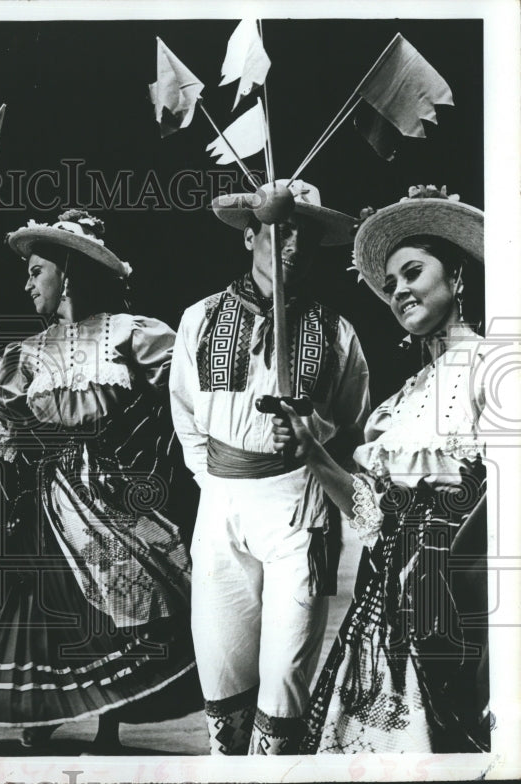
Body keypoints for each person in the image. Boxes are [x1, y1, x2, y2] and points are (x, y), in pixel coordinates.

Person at [0, 210, 202, 752]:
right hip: (47, 498)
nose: (27, 283)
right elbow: (4, 436)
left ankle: (109, 721)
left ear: (69, 274)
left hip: (118, 494)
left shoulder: (133, 334)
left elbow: (186, 401)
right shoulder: (28, 352)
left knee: (125, 601)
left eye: (36, 271)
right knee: (48, 610)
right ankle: (47, 705)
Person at [282, 186, 490, 753]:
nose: (399, 290)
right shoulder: (400, 403)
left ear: (458, 280)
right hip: (385, 602)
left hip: (457, 602)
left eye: (413, 272)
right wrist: (313, 453)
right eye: (391, 283)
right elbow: (369, 512)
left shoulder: (494, 366)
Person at [169, 180, 371, 754]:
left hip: (297, 504)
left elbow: (353, 423)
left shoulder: (335, 332)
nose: (292, 246)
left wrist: (311, 436)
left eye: (304, 235)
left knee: (283, 676)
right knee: (221, 667)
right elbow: (185, 411)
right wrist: (213, 480)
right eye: (280, 231)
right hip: (222, 500)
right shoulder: (200, 319)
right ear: (250, 235)